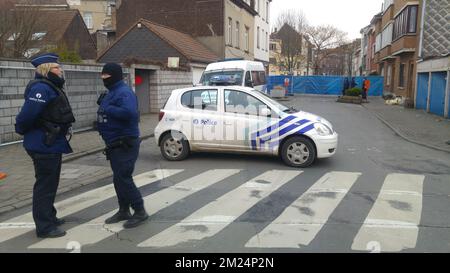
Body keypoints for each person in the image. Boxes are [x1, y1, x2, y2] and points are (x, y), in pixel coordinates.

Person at [15, 53, 75, 238]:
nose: (60, 70)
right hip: (43, 143)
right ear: (46, 70)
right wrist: (24, 130)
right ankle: (44, 226)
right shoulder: (41, 88)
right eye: (57, 68)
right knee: (45, 186)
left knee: (51, 183)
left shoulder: (50, 86)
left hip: (51, 143)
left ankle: (50, 216)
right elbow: (26, 116)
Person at [96, 63, 148, 229]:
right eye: (102, 77)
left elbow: (129, 113)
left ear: (115, 76)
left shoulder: (124, 93)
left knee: (123, 177)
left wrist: (108, 108)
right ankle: (124, 210)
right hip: (114, 143)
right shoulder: (113, 92)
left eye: (106, 77)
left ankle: (139, 210)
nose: (104, 80)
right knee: (118, 178)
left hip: (124, 142)